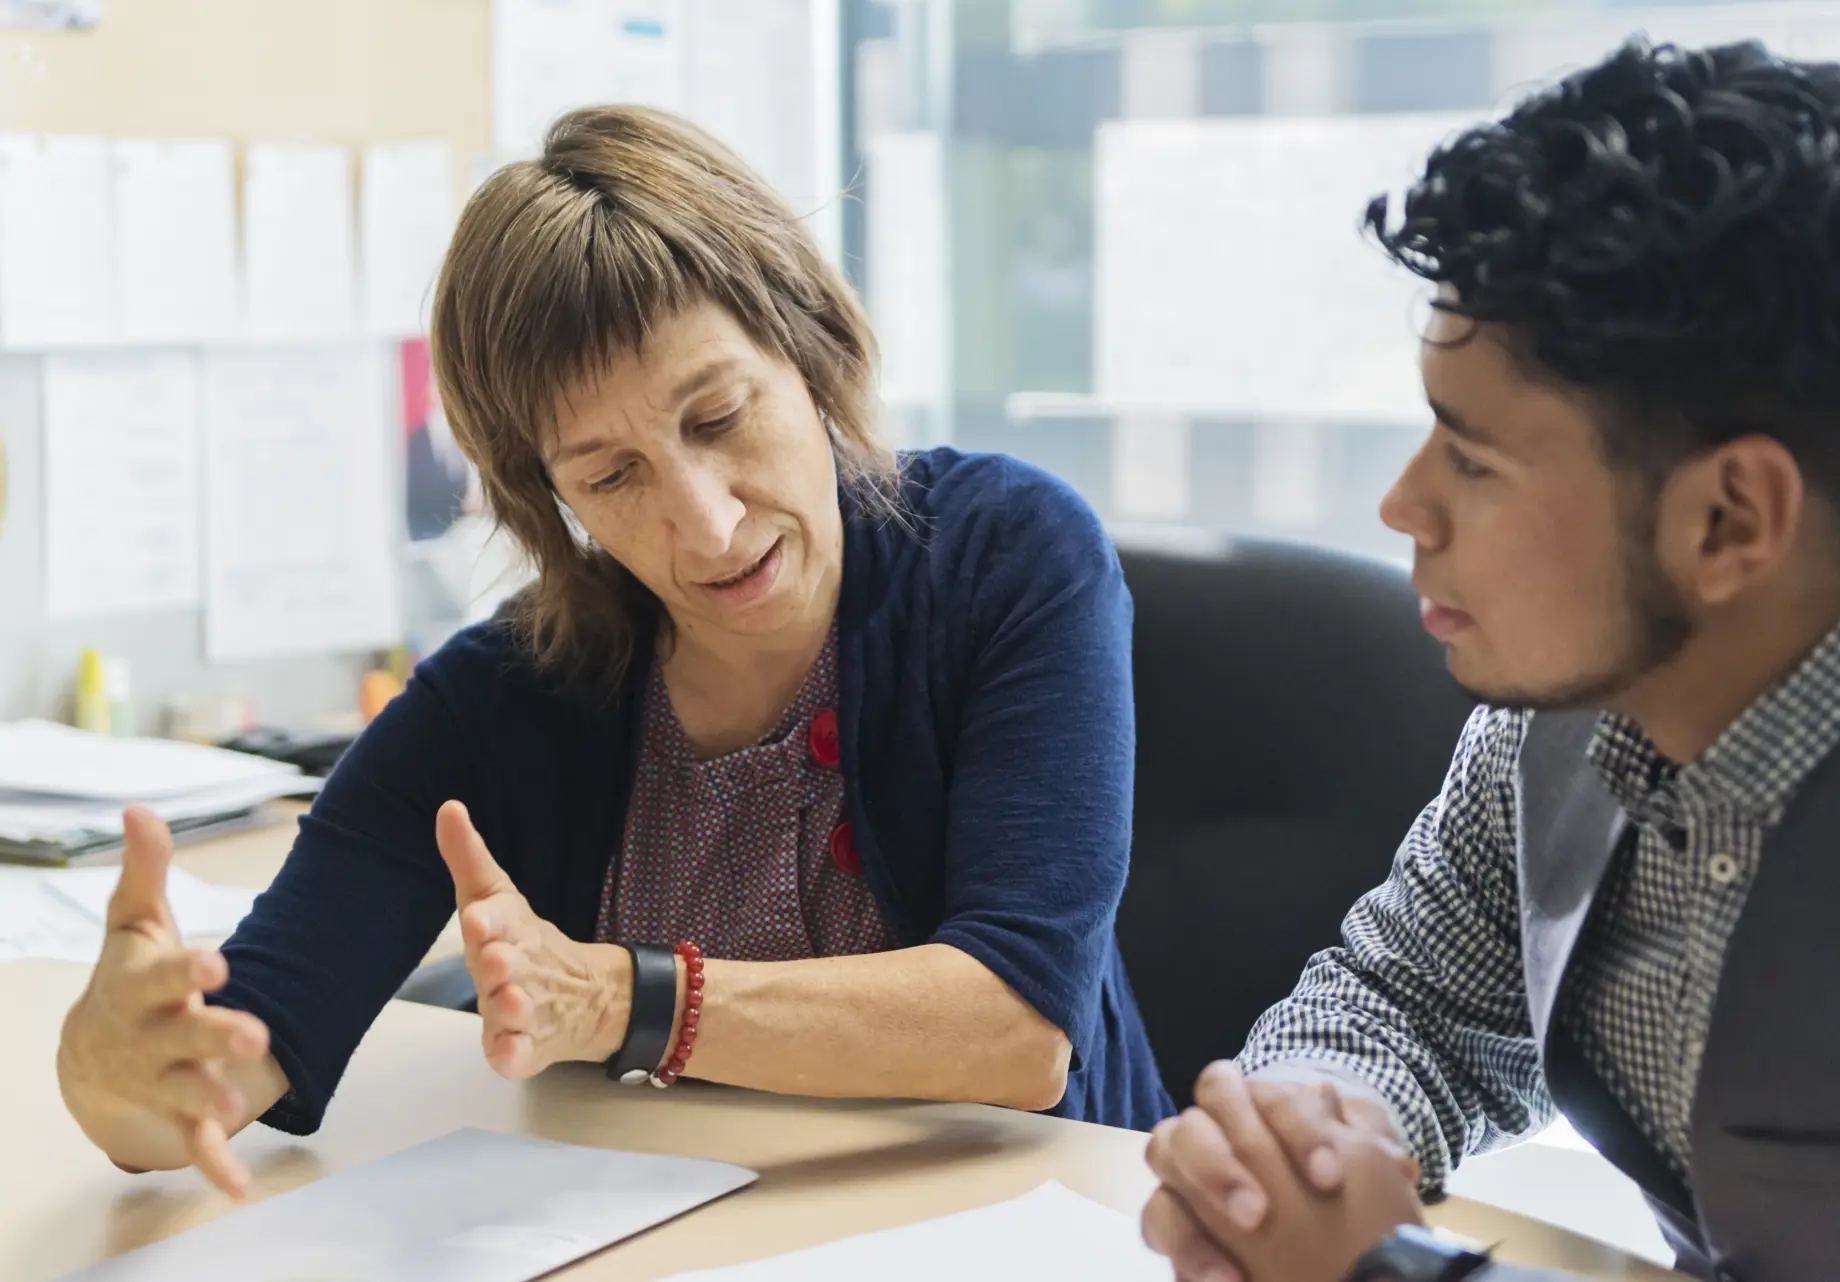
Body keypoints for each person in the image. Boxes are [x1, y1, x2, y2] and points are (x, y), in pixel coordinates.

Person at [55, 105, 1172, 1199]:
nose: (706, 524)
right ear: (553, 500)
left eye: (719, 416)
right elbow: (227, 1062)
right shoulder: (505, 693)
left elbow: (1018, 1027)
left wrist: (616, 1000)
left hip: (1031, 1225)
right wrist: (119, 1079)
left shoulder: (1004, 553)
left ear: (811, 345)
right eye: (610, 477)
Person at [1141, 38, 1840, 1282]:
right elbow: (1416, 1000)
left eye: (1474, 458)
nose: (1403, 506)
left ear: (1728, 522)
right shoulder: (1570, 714)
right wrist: (1301, 1142)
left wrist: (1388, 1272)